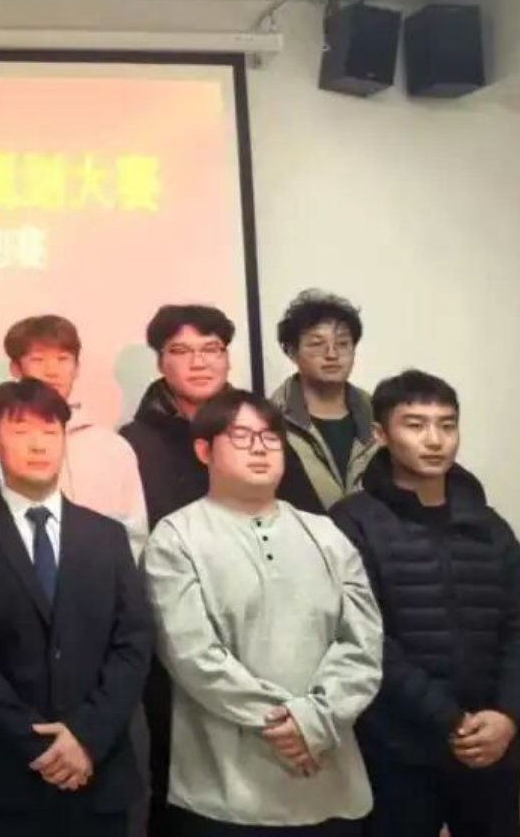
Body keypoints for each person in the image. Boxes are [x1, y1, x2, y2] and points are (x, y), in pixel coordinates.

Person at [143, 390, 382, 837]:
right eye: (241, 436)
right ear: (203, 450)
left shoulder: (327, 534)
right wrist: (292, 724)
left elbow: (363, 643)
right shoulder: (175, 537)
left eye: (270, 437)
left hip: (330, 783)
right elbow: (191, 655)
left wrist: (315, 721)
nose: (259, 448)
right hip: (225, 794)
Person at [120, 305, 320, 837]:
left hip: (275, 639)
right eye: (181, 351)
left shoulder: (264, 435)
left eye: (212, 349)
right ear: (160, 363)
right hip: (179, 642)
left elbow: (307, 532)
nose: (199, 362)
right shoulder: (133, 443)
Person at [332, 371, 520, 837]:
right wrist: (451, 719)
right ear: (381, 434)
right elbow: (365, 637)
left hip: (493, 745)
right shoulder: (352, 522)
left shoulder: (488, 524)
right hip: (398, 749)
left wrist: (510, 717)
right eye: (415, 424)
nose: (435, 440)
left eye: (447, 425)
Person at [0, 379, 153, 837]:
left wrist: (86, 737)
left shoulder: (106, 536)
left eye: (50, 431)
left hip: (98, 769)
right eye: (20, 432)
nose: (38, 445)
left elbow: (133, 644)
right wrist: (33, 741)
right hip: (5, 774)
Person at [0, 315, 148, 558]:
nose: (52, 371)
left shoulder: (113, 446)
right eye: (38, 360)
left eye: (63, 359)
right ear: (15, 368)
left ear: (77, 368)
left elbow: (135, 532)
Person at [273, 291, 377, 511]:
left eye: (343, 343)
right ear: (292, 352)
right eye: (316, 344)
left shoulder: (380, 413)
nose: (332, 354)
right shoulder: (269, 419)